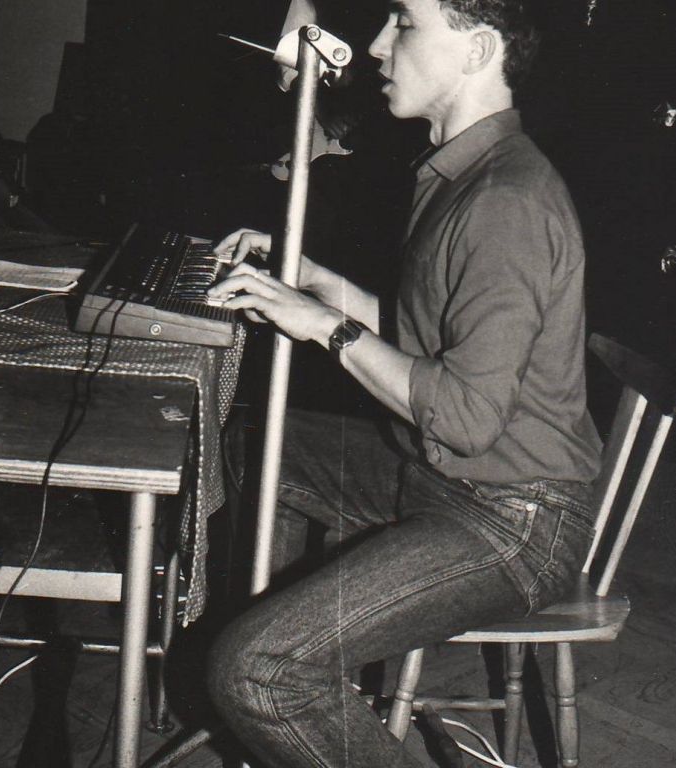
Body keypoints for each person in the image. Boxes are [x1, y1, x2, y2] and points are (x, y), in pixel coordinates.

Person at [206, 1, 603, 765]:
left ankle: (279, 681)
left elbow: (466, 416)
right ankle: (293, 704)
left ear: (477, 50)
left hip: (513, 520)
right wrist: (314, 281)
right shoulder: (465, 168)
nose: (379, 44)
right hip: (441, 477)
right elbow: (430, 335)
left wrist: (322, 325)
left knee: (257, 671)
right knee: (257, 447)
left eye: (405, 22)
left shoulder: (506, 201)